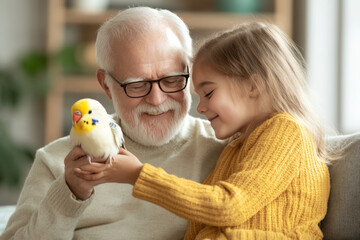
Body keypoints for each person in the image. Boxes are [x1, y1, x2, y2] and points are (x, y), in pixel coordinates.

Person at [76, 22, 333, 239]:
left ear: (253, 86)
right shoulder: (238, 146)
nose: (201, 108)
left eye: (209, 93)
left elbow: (228, 207)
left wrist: (138, 175)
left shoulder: (286, 132)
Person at [0, 7, 226, 240]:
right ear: (106, 85)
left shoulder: (228, 149)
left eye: (171, 80)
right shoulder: (56, 162)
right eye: (137, 85)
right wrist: (69, 194)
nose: (157, 100)